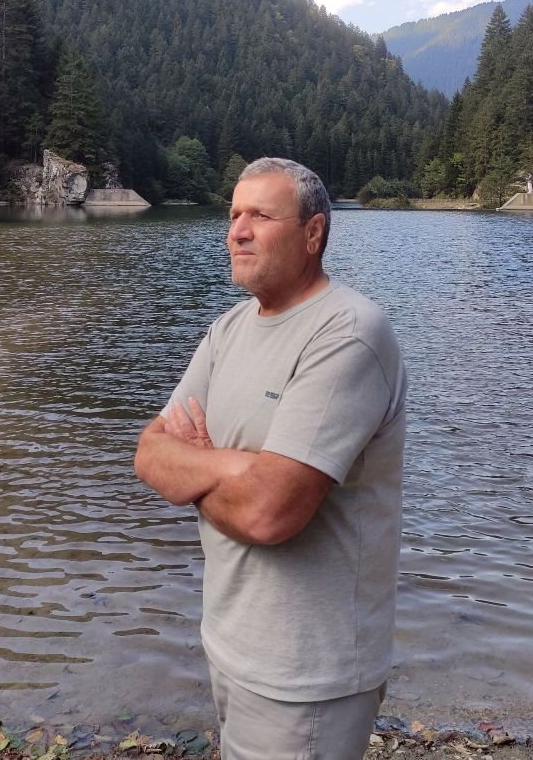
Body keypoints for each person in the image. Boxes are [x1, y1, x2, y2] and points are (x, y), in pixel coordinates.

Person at [134, 157, 406, 760]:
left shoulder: (348, 334)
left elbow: (268, 514)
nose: (237, 231)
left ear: (313, 233)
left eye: (260, 215)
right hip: (229, 641)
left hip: (308, 671)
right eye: (234, 215)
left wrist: (199, 468)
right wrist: (236, 466)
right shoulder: (228, 330)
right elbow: (150, 452)